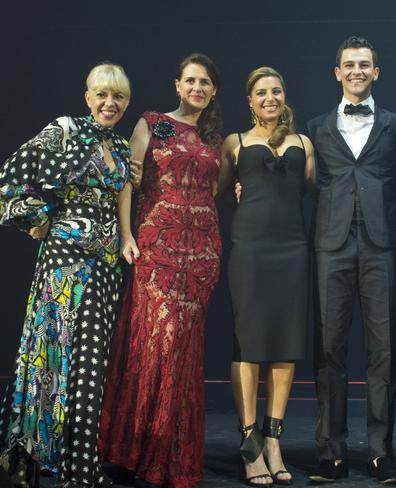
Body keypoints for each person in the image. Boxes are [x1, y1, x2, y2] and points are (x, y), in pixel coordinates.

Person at [0, 62, 132, 487]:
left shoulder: (123, 145)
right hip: (64, 260)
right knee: (49, 354)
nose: (109, 103)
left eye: (118, 97)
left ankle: (80, 465)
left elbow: (124, 198)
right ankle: (28, 458)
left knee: (90, 368)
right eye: (102, 94)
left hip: (107, 265)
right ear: (87, 96)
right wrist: (37, 218)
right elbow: (13, 175)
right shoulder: (66, 129)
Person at [97, 53, 223, 488]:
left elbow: (215, 192)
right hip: (156, 245)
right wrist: (126, 235)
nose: (197, 88)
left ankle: (170, 457)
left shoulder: (214, 138)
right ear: (177, 84)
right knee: (155, 346)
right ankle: (132, 450)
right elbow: (129, 183)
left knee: (183, 353)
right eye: (190, 80)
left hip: (202, 253)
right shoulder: (154, 123)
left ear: (213, 90)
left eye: (205, 82)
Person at [306, 36, 396, 485]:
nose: (356, 71)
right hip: (330, 247)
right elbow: (301, 178)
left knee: (383, 352)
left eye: (364, 64)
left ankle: (381, 453)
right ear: (337, 72)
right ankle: (331, 451)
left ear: (377, 71)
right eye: (349, 64)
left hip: (382, 246)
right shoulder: (314, 127)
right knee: (329, 349)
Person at [220, 66, 316, 486]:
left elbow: (316, 188)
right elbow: (219, 192)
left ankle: (274, 438)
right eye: (261, 93)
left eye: (276, 91)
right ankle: (249, 441)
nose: (270, 98)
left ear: (284, 95)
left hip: (293, 249)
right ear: (250, 100)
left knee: (285, 343)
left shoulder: (304, 143)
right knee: (250, 342)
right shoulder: (234, 143)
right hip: (250, 250)